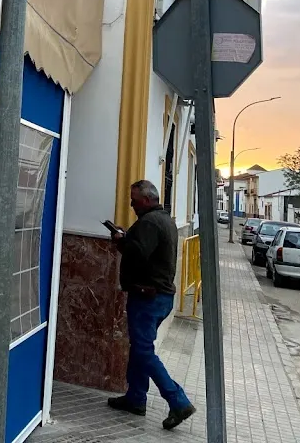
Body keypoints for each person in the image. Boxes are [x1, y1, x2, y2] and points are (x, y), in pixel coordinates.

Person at [107, 179, 196, 430]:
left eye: (134, 200)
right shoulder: (164, 219)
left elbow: (137, 254)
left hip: (148, 298)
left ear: (146, 199)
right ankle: (136, 398)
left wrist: (120, 240)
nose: (131, 205)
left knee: (144, 351)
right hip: (159, 297)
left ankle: (178, 401)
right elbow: (146, 249)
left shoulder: (149, 222)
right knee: (140, 348)